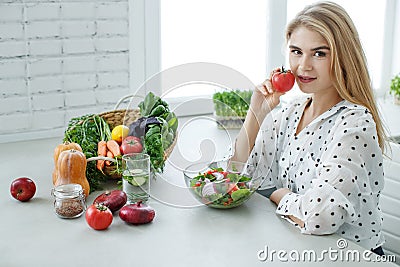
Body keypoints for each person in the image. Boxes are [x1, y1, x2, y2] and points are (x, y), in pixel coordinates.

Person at [231, 1, 387, 255]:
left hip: (353, 256)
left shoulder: (354, 123)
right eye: (296, 51)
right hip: (305, 249)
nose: (304, 65)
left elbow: (320, 217)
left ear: (343, 58)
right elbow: (238, 177)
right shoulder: (291, 112)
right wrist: (256, 112)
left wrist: (279, 195)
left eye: (319, 53)